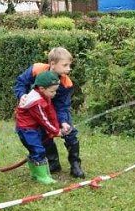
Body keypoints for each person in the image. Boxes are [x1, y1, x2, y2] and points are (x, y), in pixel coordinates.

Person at [13, 47, 85, 178]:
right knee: (43, 134)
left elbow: (63, 106)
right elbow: (20, 82)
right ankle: (53, 163)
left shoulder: (66, 83)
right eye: (65, 65)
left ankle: (75, 165)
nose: (69, 68)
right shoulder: (36, 69)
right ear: (52, 64)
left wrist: (63, 121)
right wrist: (21, 94)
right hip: (37, 108)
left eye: (69, 65)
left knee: (70, 133)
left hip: (56, 109)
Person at [15, 71, 63, 185]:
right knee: (38, 150)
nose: (54, 93)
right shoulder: (36, 101)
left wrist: (57, 127)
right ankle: (42, 176)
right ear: (41, 88)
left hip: (33, 128)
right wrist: (55, 131)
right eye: (52, 91)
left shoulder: (45, 96)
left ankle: (36, 173)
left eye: (55, 90)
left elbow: (51, 113)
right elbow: (43, 119)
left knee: (36, 150)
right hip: (26, 129)